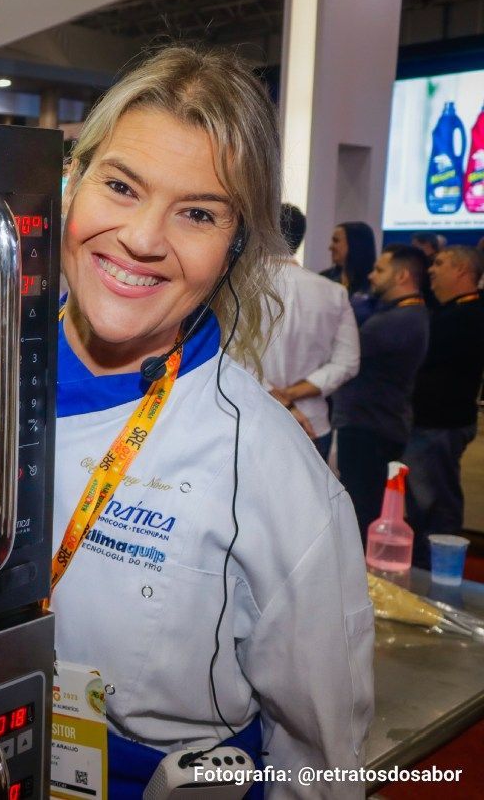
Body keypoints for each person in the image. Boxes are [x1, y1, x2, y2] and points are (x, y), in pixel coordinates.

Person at [51, 45, 372, 798]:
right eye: (122, 186)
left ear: (235, 245)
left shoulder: (267, 467)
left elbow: (322, 763)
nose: (142, 238)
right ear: (74, 179)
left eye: (197, 212)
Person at [332, 245, 431, 539]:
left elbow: (344, 353)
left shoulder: (396, 321)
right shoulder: (404, 314)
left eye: (380, 270)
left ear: (401, 276)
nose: (372, 276)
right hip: (376, 423)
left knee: (362, 510)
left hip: (369, 428)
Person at [404, 246, 484, 567]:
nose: (431, 270)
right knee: (426, 502)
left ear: (462, 271)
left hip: (439, 424)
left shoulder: (469, 315)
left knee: (434, 504)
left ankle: (438, 572)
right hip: (431, 423)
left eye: (439, 264)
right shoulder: (449, 312)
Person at [260, 205, 359, 459]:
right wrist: (291, 397)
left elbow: (229, 356)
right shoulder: (333, 291)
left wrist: (281, 397)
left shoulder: (239, 288)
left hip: (253, 417)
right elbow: (347, 363)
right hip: (312, 420)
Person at [321, 222, 376, 297]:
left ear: (355, 244)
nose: (330, 247)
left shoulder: (374, 284)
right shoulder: (324, 279)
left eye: (336, 241)